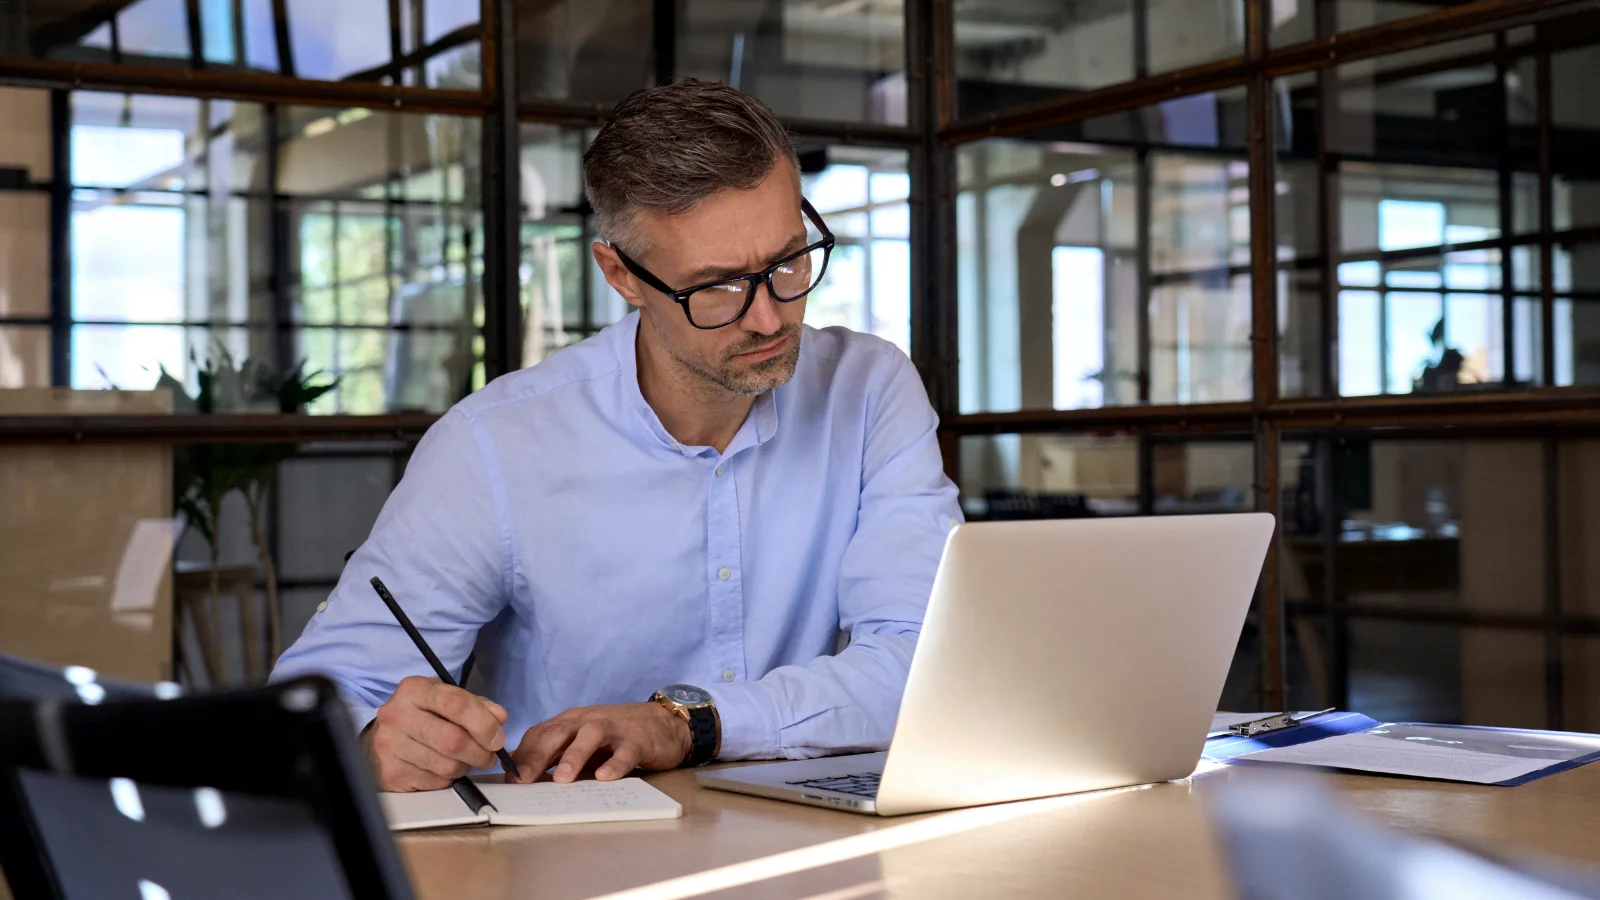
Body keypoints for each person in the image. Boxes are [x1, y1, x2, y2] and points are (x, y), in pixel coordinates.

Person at [271, 79, 961, 793]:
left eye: (788, 262)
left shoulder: (869, 388)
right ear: (621, 275)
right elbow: (316, 699)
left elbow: (925, 662)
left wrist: (688, 723)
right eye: (718, 286)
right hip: (568, 856)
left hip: (812, 844)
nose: (768, 317)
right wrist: (369, 738)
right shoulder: (496, 446)